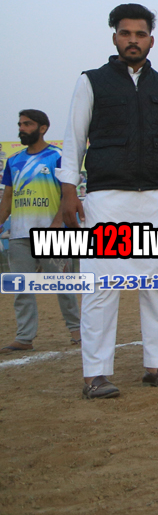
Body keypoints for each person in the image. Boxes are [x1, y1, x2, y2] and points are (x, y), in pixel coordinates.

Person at [58, 4, 158, 398]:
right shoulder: (91, 81)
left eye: (140, 34)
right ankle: (95, 375)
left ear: (151, 39)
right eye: (126, 33)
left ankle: (155, 366)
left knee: (157, 286)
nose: (133, 40)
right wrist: (69, 190)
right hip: (107, 197)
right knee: (101, 286)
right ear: (115, 37)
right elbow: (74, 138)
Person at [1, 110, 80, 354]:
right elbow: (7, 198)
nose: (22, 128)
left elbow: (67, 194)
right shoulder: (13, 160)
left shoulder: (58, 157)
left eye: (27, 124)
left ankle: (77, 332)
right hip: (19, 235)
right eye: (20, 124)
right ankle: (24, 337)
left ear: (43, 128)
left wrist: (57, 224)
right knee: (21, 287)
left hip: (51, 233)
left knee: (63, 285)